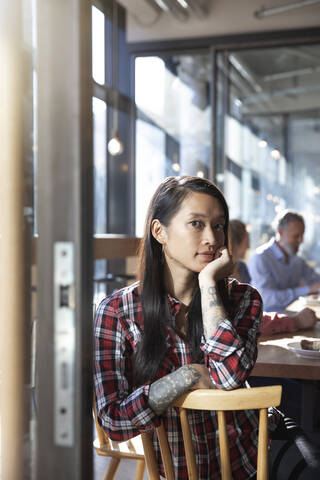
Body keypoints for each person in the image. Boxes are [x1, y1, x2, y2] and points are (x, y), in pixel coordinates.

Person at [94, 176, 266, 479]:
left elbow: (227, 377)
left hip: (248, 463)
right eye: (196, 224)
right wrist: (186, 376)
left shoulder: (243, 299)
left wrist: (208, 283)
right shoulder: (117, 312)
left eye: (219, 225)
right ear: (160, 231)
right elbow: (113, 420)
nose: (212, 238)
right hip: (175, 472)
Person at [229, 219, 318, 336]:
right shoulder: (260, 257)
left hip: (275, 322)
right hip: (268, 325)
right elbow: (263, 301)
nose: (249, 246)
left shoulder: (242, 268)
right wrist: (295, 320)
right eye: (296, 236)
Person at [248, 210, 320, 312]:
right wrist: (308, 289)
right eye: (296, 236)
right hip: (269, 320)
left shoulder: (296, 259)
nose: (301, 240)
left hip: (293, 314)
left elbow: (316, 281)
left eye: (302, 235)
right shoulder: (260, 257)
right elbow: (266, 298)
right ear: (280, 233)